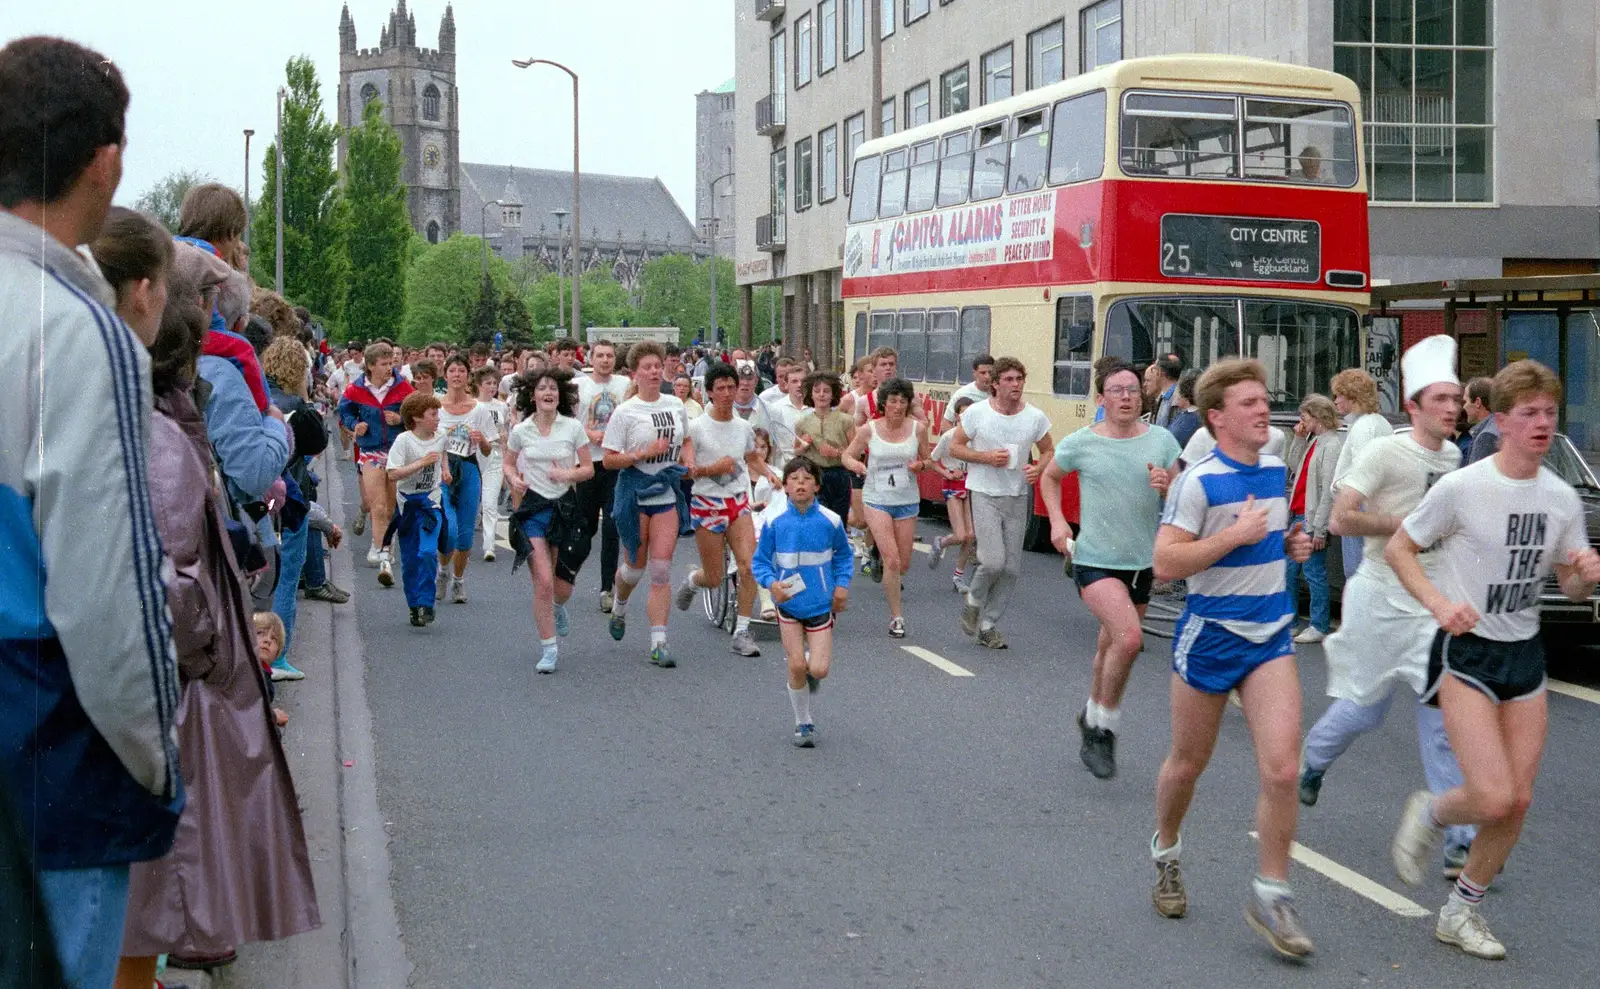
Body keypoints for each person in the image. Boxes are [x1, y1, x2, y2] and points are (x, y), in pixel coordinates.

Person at [0, 38, 183, 987]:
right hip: (47, 751)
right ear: (105, 159)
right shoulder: (76, 330)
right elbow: (108, 595)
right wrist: (157, 760)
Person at [117, 274, 319, 981]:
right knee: (175, 836)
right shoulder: (169, 443)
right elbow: (174, 587)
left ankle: (194, 932)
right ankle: (194, 934)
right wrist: (209, 639)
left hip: (154, 677)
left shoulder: (149, 429)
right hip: (173, 678)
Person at [1386, 359, 1599, 960]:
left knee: (1518, 799)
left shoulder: (1559, 499)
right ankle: (1431, 810)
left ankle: (1460, 912)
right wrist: (1438, 602)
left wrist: (1585, 577)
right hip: (1466, 653)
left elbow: (1571, 586)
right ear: (1500, 420)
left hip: (1524, 656)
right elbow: (1403, 548)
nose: (1542, 423)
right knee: (1493, 794)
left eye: (1550, 413)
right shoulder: (1463, 487)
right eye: (1528, 413)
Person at [1149, 358, 1316, 958]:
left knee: (1282, 769)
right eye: (1248, 402)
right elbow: (1166, 564)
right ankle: (1166, 849)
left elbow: (1277, 536)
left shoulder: (1275, 467)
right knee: (1189, 763)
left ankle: (1273, 894)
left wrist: (1290, 543)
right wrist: (1233, 538)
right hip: (1212, 634)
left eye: (1264, 398)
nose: (1262, 408)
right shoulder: (1198, 480)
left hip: (1270, 634)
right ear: (1217, 417)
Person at [1299, 337, 1474, 874]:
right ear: (1415, 406)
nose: (1452, 409)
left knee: (1442, 715)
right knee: (1366, 708)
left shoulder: (1453, 456)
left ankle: (1457, 837)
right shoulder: (1385, 451)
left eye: (1456, 399)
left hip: (1432, 597)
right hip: (1380, 591)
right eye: (1440, 400)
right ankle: (1312, 761)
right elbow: (1342, 519)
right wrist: (1407, 527)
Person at [1042, 360, 1180, 779]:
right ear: (1101, 398)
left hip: (1140, 563)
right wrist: (1057, 521)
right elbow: (1049, 477)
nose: (1126, 397)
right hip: (1094, 560)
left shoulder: (1161, 440)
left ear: (1145, 396)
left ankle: (1090, 713)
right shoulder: (1082, 442)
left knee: (1110, 646)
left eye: (1134, 390)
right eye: (1117, 390)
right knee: (1129, 638)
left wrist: (1168, 487)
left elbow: (1184, 495)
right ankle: (1103, 728)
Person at [950, 357, 1055, 649]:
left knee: (1011, 569)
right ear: (995, 384)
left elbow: (1048, 449)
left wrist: (1038, 468)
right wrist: (985, 457)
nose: (1016, 385)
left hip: (1017, 494)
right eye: (1008, 380)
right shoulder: (977, 413)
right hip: (983, 491)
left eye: (1019, 379)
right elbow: (955, 446)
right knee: (993, 560)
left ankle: (988, 625)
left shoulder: (1034, 417)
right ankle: (973, 599)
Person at [675, 362, 776, 658]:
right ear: (709, 392)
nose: (728, 393)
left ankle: (742, 631)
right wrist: (711, 469)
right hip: (707, 505)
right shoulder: (695, 428)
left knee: (749, 566)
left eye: (731, 387)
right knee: (714, 575)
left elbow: (751, 458)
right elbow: (683, 471)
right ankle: (694, 581)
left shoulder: (743, 427)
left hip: (738, 502)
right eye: (721, 388)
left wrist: (769, 473)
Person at [753, 457, 855, 747]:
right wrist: (772, 585)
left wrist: (842, 587)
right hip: (788, 605)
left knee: (819, 670)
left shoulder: (830, 521)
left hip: (820, 605)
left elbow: (844, 557)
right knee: (796, 665)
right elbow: (760, 562)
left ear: (817, 486)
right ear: (784, 486)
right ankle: (803, 722)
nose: (800, 484)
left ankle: (811, 674)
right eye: (794, 479)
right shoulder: (774, 521)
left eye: (807, 478)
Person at [603, 341, 693, 667]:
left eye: (658, 366)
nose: (655, 372)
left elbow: (687, 439)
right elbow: (610, 461)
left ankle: (659, 642)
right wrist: (643, 453)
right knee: (634, 567)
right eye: (648, 367)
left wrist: (689, 462)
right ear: (634, 374)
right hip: (634, 491)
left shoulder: (675, 403)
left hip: (666, 490)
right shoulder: (625, 412)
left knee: (660, 568)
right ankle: (620, 605)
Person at [504, 368, 593, 673]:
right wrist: (514, 479)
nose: (548, 393)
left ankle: (558, 607)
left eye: (553, 389)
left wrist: (566, 474)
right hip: (533, 509)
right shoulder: (521, 431)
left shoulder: (572, 428)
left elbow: (588, 469)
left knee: (560, 585)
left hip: (565, 507)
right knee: (542, 581)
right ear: (533, 395)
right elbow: (507, 462)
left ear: (560, 396)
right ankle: (549, 649)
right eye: (542, 388)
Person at [842, 377, 931, 638]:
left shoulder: (918, 429)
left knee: (902, 565)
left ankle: (878, 556)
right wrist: (856, 465)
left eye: (903, 401)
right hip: (876, 497)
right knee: (893, 560)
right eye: (893, 400)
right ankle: (897, 618)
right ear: (884, 403)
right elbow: (847, 455)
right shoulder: (869, 429)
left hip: (906, 500)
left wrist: (921, 466)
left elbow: (928, 460)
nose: (898, 406)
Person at [340, 342, 415, 588]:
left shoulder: (403, 386)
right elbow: (345, 412)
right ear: (371, 366)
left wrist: (401, 419)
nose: (388, 368)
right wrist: (354, 425)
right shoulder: (356, 389)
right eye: (383, 364)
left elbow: (415, 414)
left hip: (396, 450)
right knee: (377, 504)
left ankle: (385, 542)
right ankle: (381, 552)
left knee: (391, 506)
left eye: (390, 363)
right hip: (371, 450)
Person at [1282, 395, 1343, 645]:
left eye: (1305, 417)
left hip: (1310, 518)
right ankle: (1292, 621)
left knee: (1312, 571)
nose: (1302, 421)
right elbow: (1294, 466)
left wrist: (1319, 529)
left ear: (1318, 417)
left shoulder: (1331, 445)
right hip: (1299, 514)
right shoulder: (1314, 441)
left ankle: (1318, 624)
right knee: (1289, 570)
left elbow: (1328, 490)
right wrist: (1298, 438)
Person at [436, 355, 497, 604]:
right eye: (453, 370)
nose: (457, 375)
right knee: (447, 529)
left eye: (462, 370)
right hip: (443, 470)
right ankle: (442, 572)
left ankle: (458, 580)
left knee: (465, 534)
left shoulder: (479, 409)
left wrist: (480, 438)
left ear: (468, 375)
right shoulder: (436, 407)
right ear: (445, 375)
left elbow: (487, 449)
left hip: (469, 469)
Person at [386, 392, 450, 627]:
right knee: (411, 559)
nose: (438, 419)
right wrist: (420, 463)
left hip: (431, 502)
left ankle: (426, 602)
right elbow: (392, 474)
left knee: (427, 552)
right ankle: (414, 605)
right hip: (408, 505)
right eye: (433, 414)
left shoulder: (441, 436)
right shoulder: (404, 441)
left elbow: (442, 452)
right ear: (417, 418)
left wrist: (445, 470)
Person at [576, 339, 630, 613]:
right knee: (586, 527)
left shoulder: (624, 386)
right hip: (587, 462)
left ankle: (607, 587)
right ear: (590, 358)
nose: (605, 360)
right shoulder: (579, 386)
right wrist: (588, 433)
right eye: (600, 355)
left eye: (609, 356)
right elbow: (569, 420)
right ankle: (566, 572)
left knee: (612, 524)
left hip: (614, 462)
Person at [1329, 367, 1393, 578]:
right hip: (1375, 506)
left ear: (1352, 396)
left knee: (1355, 571)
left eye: (1339, 395)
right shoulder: (1380, 422)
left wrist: (1339, 486)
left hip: (1358, 507)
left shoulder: (1362, 427)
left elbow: (1363, 472)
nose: (1335, 400)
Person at [927, 396, 977, 593]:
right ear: (956, 416)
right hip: (952, 485)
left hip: (968, 484)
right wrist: (946, 472)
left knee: (970, 536)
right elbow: (932, 460)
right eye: (963, 413)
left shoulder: (976, 437)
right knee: (960, 534)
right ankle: (941, 541)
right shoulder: (949, 437)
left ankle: (958, 577)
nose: (966, 417)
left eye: (970, 414)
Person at [793, 370, 856, 522]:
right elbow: (795, 451)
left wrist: (838, 453)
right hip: (813, 474)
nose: (821, 395)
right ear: (811, 394)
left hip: (839, 474)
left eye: (826, 391)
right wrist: (804, 446)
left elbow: (856, 454)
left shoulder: (845, 421)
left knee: (837, 519)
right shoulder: (802, 422)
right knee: (816, 517)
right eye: (817, 391)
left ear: (833, 394)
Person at [475, 367, 511, 563]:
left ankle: (489, 545)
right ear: (479, 385)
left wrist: (506, 462)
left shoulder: (502, 407)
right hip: (474, 454)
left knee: (490, 502)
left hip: (495, 455)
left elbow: (505, 435)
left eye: (494, 383)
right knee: (474, 501)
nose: (492, 387)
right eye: (487, 383)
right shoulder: (472, 406)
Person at [940, 355, 994, 428]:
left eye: (990, 372)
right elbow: (946, 422)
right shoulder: (963, 394)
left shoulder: (1001, 393)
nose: (987, 376)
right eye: (983, 373)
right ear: (974, 373)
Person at [1462, 376, 1499, 464]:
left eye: (1465, 401)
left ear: (1478, 402)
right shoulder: (1498, 426)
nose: (1464, 407)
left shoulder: (1487, 435)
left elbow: (1477, 476)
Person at [1167, 370, 1201, 451]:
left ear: (1185, 394)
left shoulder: (1192, 420)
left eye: (1177, 389)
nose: (1175, 393)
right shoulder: (1184, 414)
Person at [1150, 355, 1183, 427]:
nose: (1152, 373)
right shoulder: (1164, 396)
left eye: (1153, 369)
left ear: (1159, 372)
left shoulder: (1177, 400)